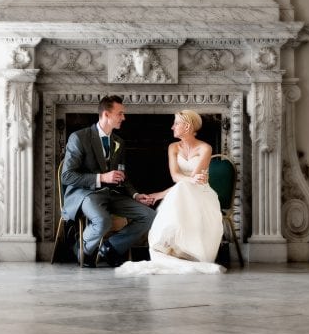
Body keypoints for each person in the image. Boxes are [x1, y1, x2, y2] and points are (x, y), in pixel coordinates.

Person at [116, 111, 225, 275]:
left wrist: (160, 195)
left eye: (176, 123)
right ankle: (173, 247)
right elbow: (176, 176)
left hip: (202, 194)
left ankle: (184, 248)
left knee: (183, 188)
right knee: (183, 188)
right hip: (183, 190)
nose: (172, 127)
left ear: (187, 126)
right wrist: (184, 182)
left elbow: (194, 180)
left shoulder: (205, 148)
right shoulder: (173, 147)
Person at [61, 95, 154, 267]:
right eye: (120, 113)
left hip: (111, 195)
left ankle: (110, 247)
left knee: (149, 215)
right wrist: (101, 178)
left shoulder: (119, 142)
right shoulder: (79, 138)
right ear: (106, 114)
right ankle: (82, 249)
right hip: (86, 194)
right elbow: (67, 176)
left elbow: (121, 175)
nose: (124, 118)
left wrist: (135, 194)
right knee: (104, 221)